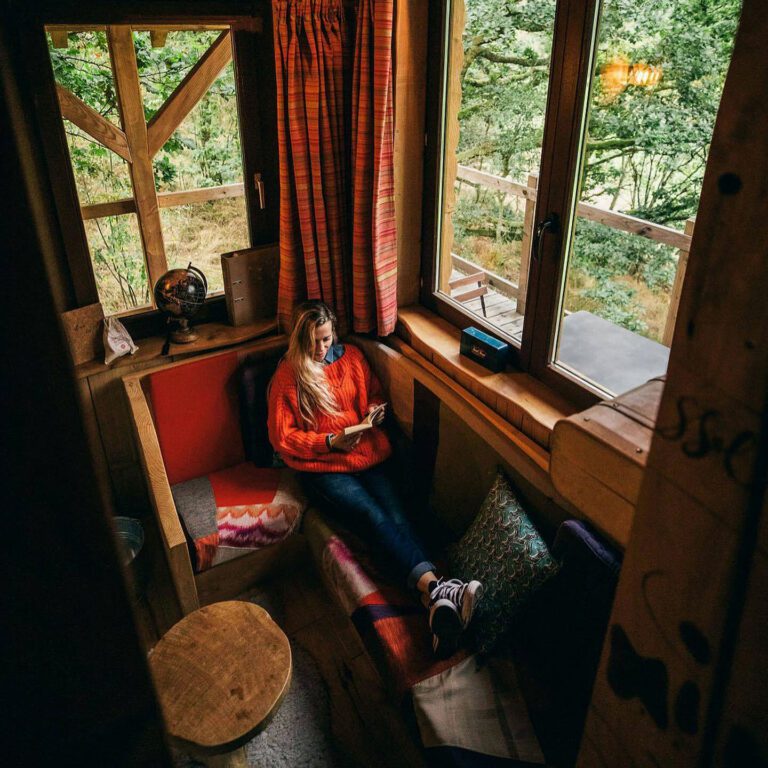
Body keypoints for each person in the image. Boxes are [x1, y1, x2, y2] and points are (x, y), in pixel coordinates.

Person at [268, 300, 482, 657]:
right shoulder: (289, 375)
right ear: (299, 339)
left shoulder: (351, 357)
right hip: (326, 467)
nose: (320, 348)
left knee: (399, 516)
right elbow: (282, 438)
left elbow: (375, 393)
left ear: (333, 332)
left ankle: (436, 602)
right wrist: (328, 441)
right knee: (373, 516)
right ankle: (440, 589)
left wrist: (373, 412)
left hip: (368, 453)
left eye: (324, 339)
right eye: (312, 342)